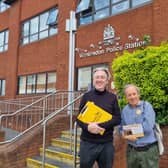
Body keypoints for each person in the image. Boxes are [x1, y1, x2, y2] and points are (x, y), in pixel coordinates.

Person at [77, 67, 121, 168]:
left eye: (102, 77)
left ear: (106, 81)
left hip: (106, 144)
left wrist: (98, 126)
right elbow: (79, 118)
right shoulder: (86, 96)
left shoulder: (112, 97)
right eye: (97, 77)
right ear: (93, 80)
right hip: (87, 143)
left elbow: (117, 118)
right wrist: (88, 127)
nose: (99, 79)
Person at [120, 84, 159, 168]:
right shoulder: (124, 110)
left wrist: (128, 133)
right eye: (129, 95)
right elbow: (121, 128)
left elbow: (148, 127)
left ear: (138, 94)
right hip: (132, 151)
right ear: (126, 97)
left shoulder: (147, 106)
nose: (132, 97)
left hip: (148, 151)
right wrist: (125, 135)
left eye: (134, 94)